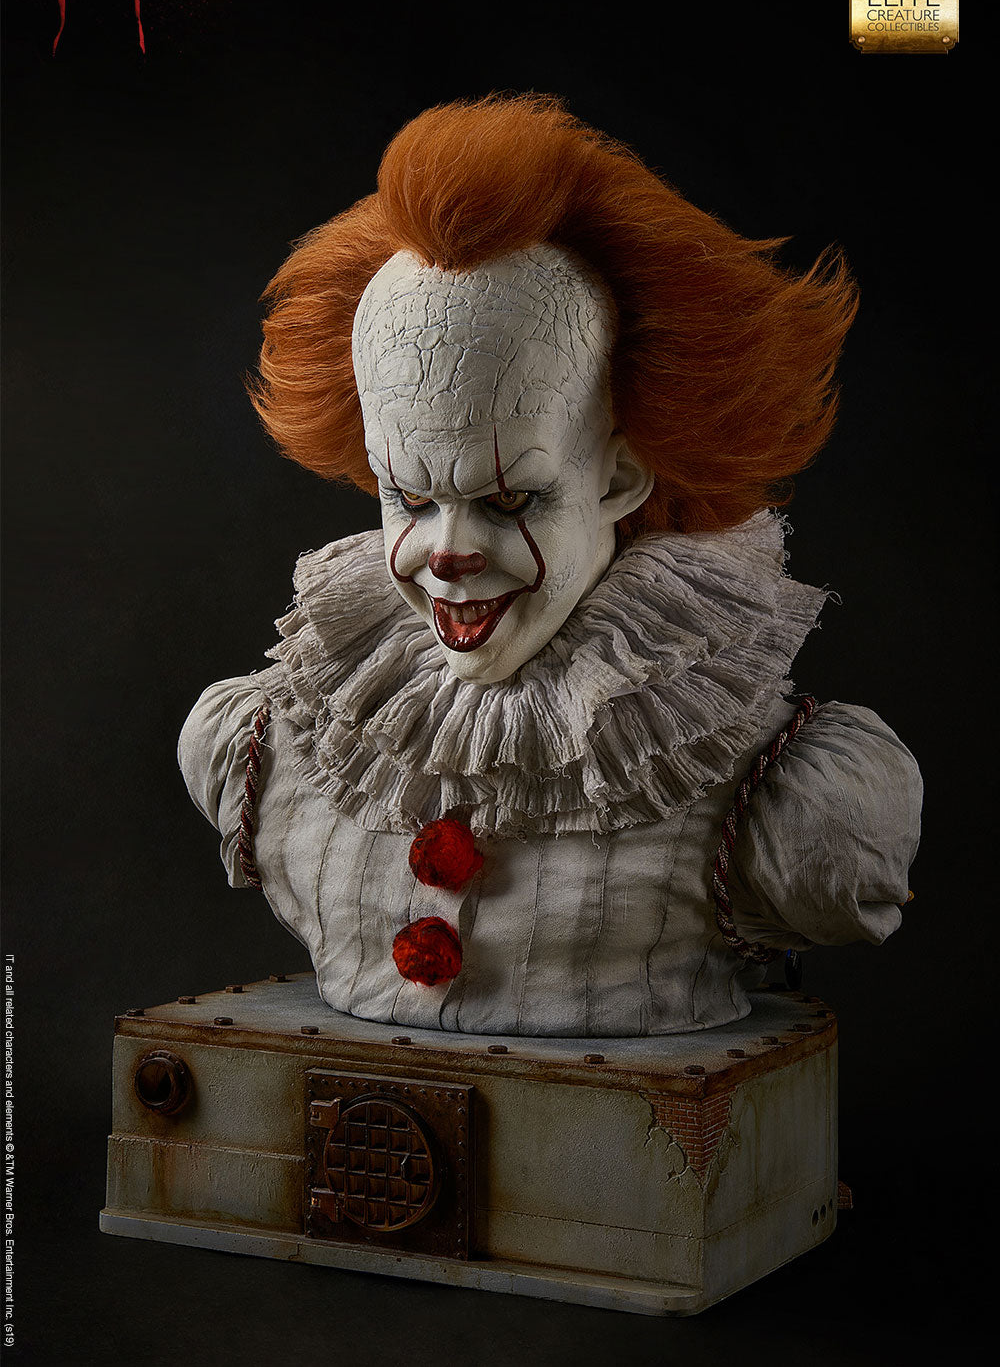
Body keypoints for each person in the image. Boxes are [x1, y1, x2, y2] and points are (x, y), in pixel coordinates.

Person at [179, 95, 921, 1037]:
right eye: (407, 495)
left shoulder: (779, 790)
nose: (445, 552)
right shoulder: (271, 743)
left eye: (510, 500)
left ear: (620, 475)